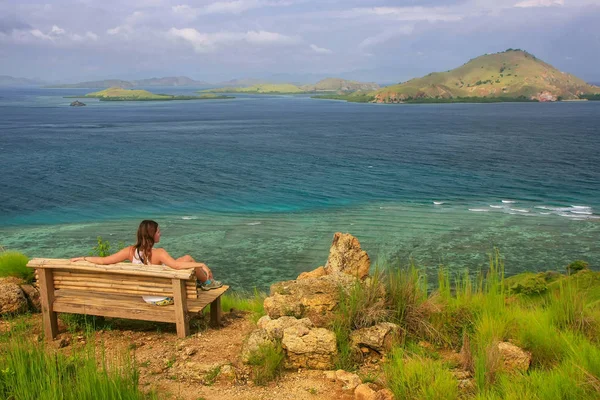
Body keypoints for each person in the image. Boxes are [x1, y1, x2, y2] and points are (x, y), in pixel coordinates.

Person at [70, 220, 222, 306]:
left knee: (186, 258)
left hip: (148, 296)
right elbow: (176, 266)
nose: (160, 233)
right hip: (165, 295)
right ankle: (207, 282)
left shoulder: (130, 252)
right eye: (158, 231)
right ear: (151, 235)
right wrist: (200, 264)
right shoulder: (159, 253)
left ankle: (206, 282)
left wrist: (83, 258)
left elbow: (103, 261)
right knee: (188, 261)